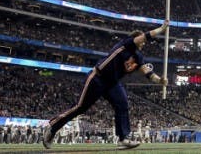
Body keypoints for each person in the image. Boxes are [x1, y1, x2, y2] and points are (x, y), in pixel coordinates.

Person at [42, 21, 168, 150]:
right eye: (141, 39)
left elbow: (146, 71)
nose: (144, 42)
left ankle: (123, 139)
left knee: (122, 104)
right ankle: (53, 126)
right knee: (80, 107)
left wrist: (159, 80)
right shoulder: (126, 44)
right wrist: (161, 29)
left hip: (112, 83)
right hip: (98, 78)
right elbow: (146, 36)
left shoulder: (138, 56)